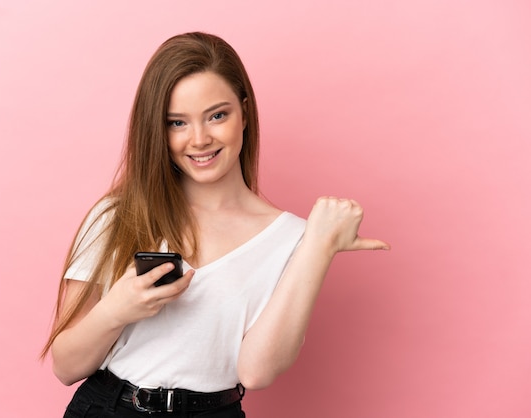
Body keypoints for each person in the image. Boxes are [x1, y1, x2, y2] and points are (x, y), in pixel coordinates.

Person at [42, 31, 390, 418]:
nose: (200, 139)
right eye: (177, 122)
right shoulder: (116, 216)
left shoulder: (293, 239)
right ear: (157, 129)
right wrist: (117, 309)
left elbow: (256, 372)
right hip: (107, 407)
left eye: (217, 115)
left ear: (244, 112)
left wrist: (319, 247)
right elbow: (66, 367)